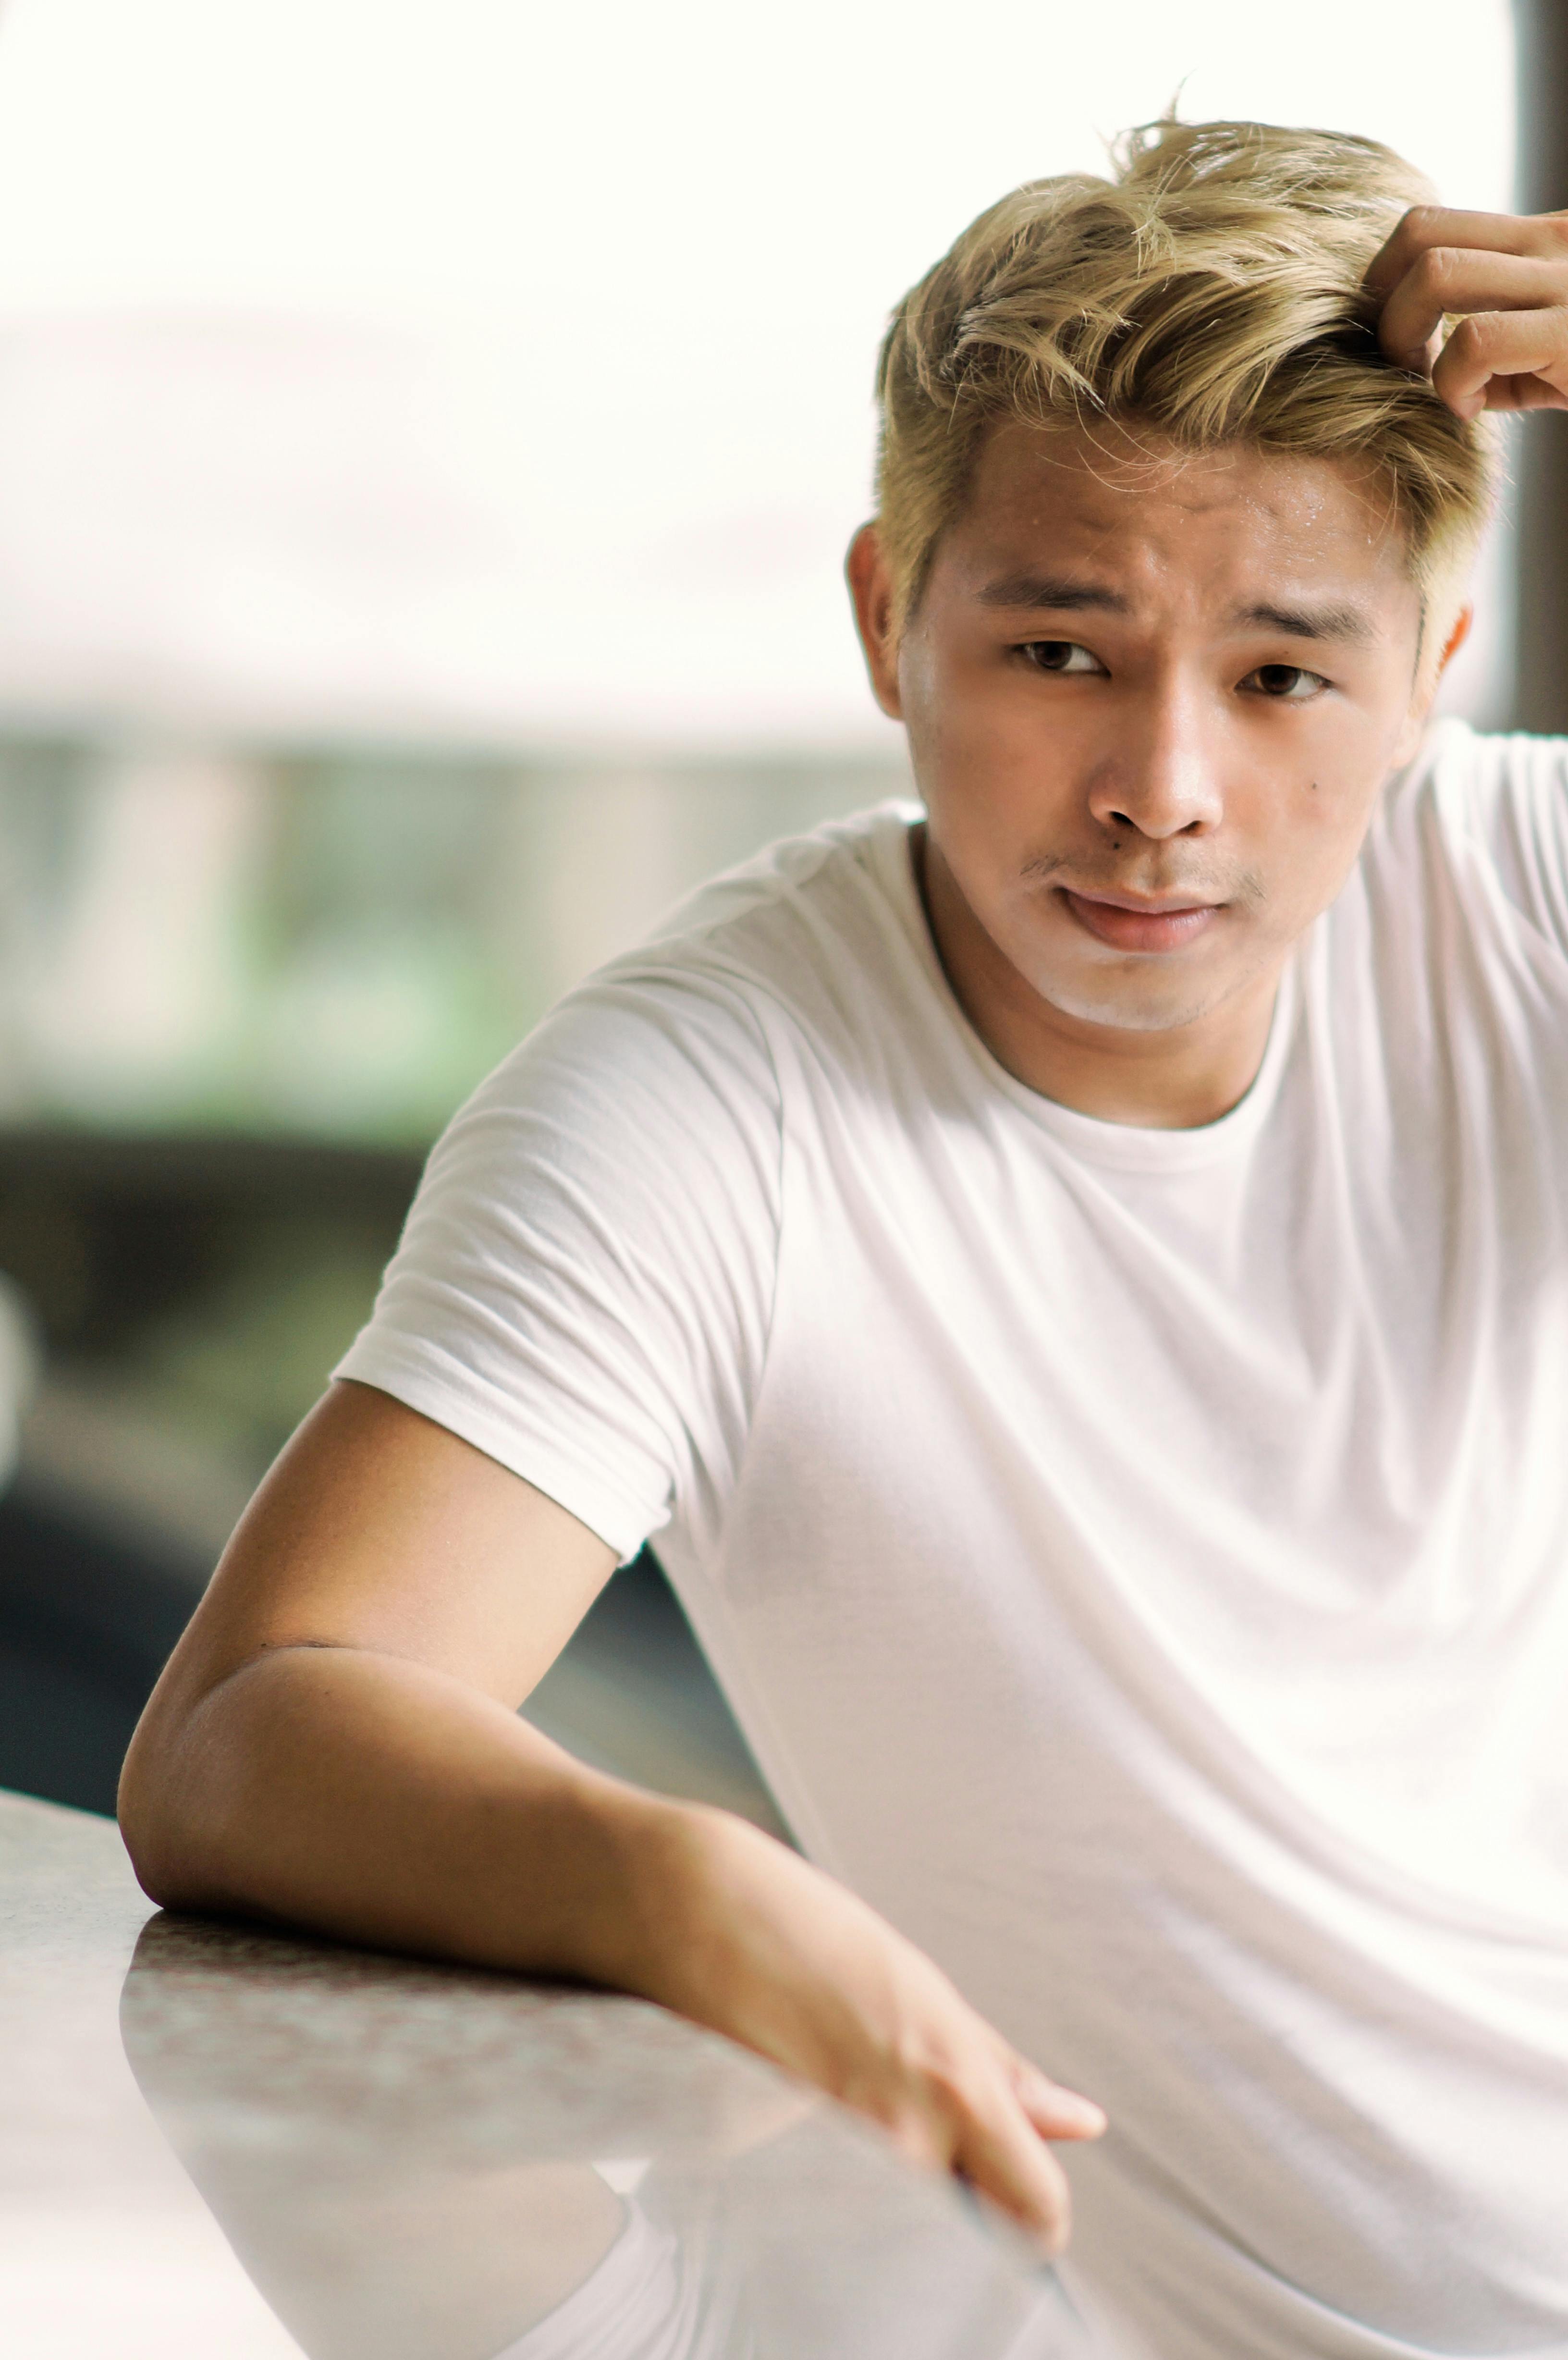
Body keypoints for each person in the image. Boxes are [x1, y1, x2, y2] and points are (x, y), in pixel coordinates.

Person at [120, 117, 1568, 2358]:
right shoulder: (713, 1093)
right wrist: (696, 1885)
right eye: (1063, 648)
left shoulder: (1522, 903)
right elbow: (251, 1726)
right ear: (892, 614)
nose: (1164, 785)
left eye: (1284, 676)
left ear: (1431, 670)